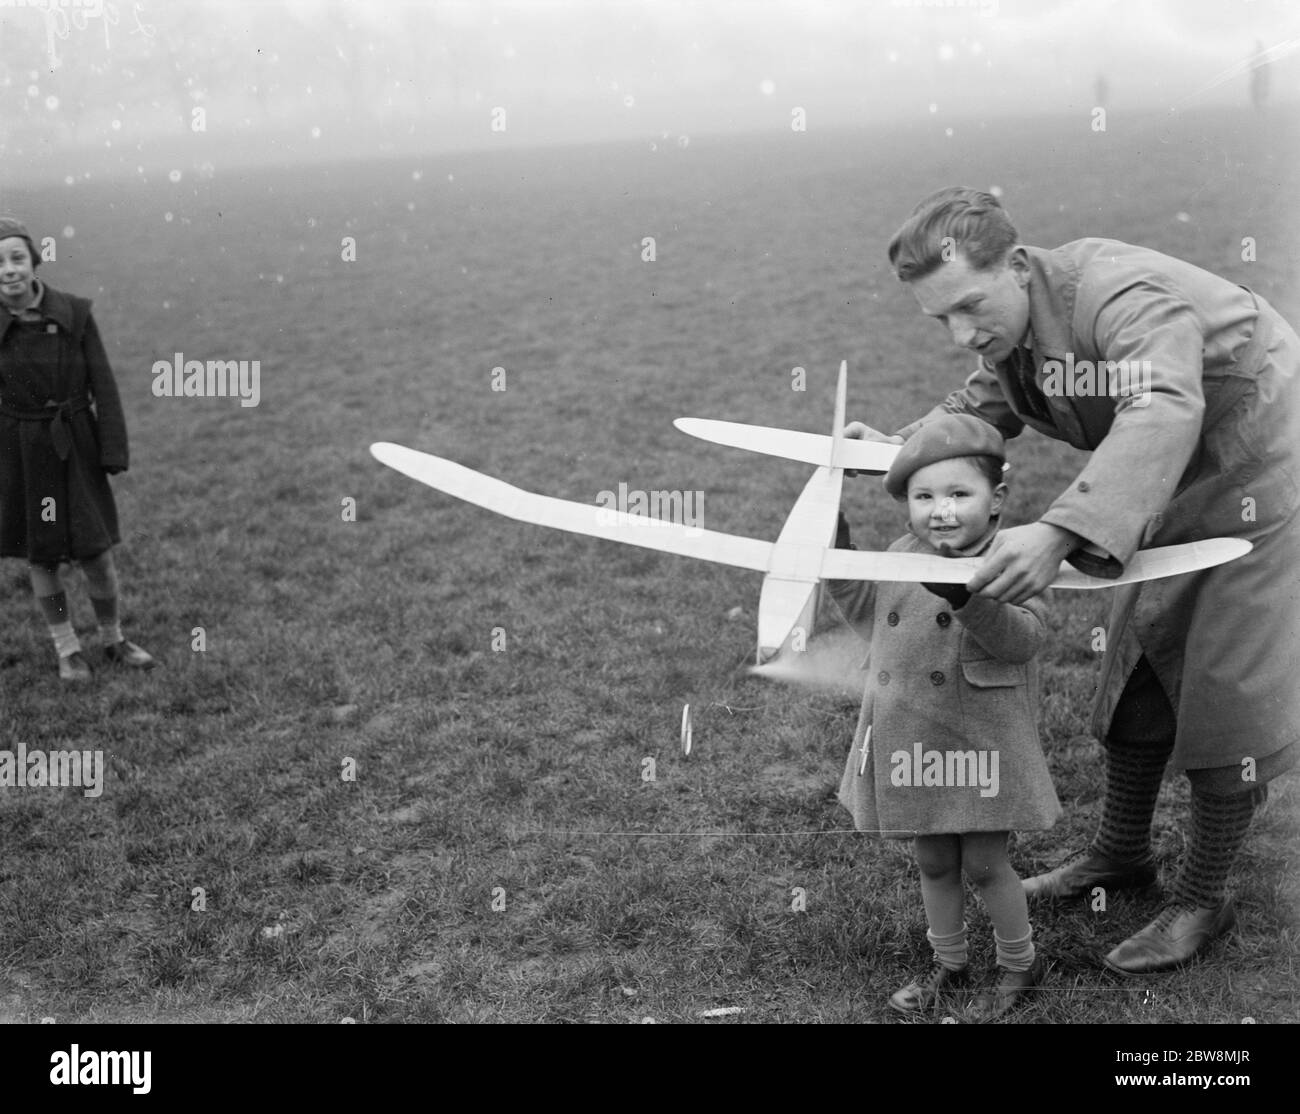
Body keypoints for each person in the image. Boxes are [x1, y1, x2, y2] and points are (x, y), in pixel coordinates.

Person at [847, 186, 1299, 974]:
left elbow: (1160, 399)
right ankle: (1120, 855)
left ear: (1017, 266)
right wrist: (911, 444)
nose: (960, 335)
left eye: (967, 307)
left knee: (1227, 682)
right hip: (1168, 473)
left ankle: (1203, 894)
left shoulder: (1119, 296)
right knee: (1140, 657)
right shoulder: (1017, 321)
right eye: (939, 320)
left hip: (1264, 462)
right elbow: (989, 398)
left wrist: (1059, 530)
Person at [829, 413, 1060, 1020]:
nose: (942, 511)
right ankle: (950, 965)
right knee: (933, 859)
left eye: (960, 494)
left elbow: (1023, 639)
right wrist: (838, 547)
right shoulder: (902, 555)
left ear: (996, 500)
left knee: (985, 863)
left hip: (981, 739)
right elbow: (868, 618)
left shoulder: (1016, 559)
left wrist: (966, 598)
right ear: (906, 504)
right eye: (924, 496)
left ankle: (1019, 965)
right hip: (915, 737)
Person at [0, 217, 156, 681]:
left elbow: (103, 386)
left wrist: (112, 450)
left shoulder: (75, 315)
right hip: (22, 453)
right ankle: (66, 647)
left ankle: (112, 638)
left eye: (16, 258)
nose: (8, 270)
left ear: (33, 261)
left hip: (78, 447)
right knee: (42, 555)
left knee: (97, 552)